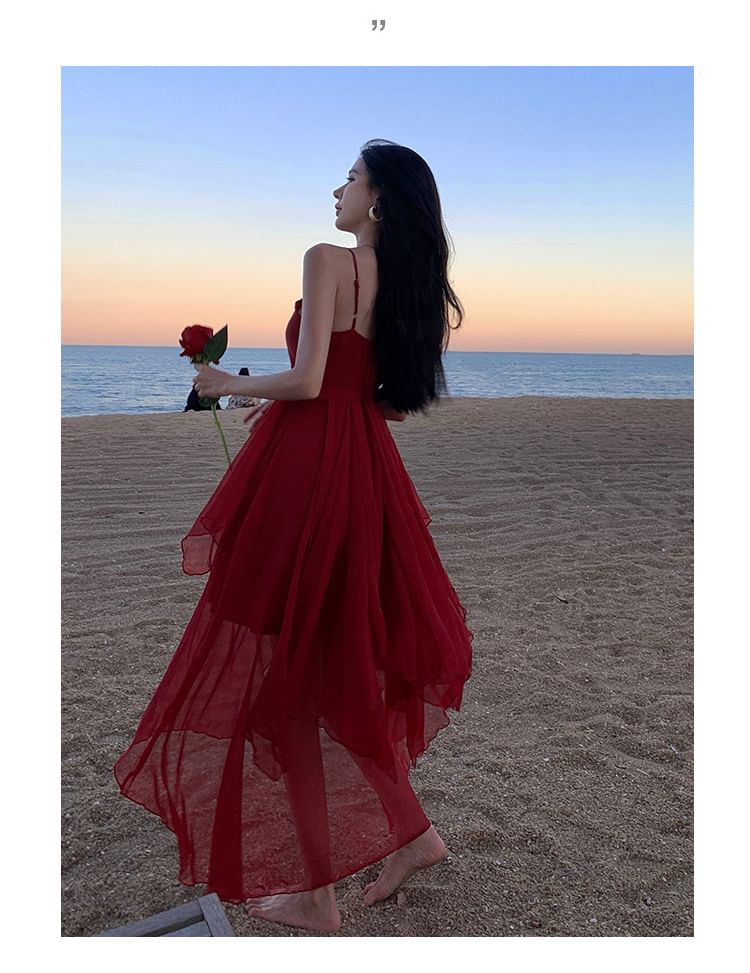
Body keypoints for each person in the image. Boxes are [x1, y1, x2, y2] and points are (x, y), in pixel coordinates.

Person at [114, 139, 473, 934]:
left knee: (287, 675)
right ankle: (412, 836)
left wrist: (227, 382)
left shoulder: (326, 258)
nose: (337, 190)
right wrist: (271, 404)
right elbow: (378, 400)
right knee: (322, 668)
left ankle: (319, 892)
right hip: (361, 471)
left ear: (378, 198)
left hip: (309, 476)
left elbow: (311, 379)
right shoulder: (405, 283)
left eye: (350, 178)